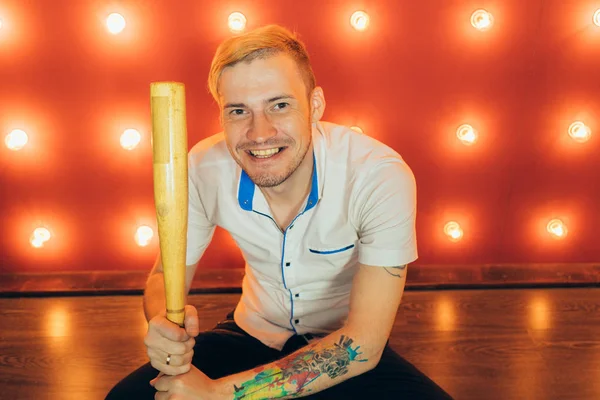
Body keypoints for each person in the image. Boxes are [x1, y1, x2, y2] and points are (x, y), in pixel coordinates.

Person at [106, 24, 453, 399]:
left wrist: (218, 395)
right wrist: (161, 321)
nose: (259, 133)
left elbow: (363, 345)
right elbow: (162, 276)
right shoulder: (204, 167)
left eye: (280, 105)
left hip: (338, 346)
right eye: (239, 111)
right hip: (250, 333)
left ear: (315, 105)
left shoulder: (378, 175)